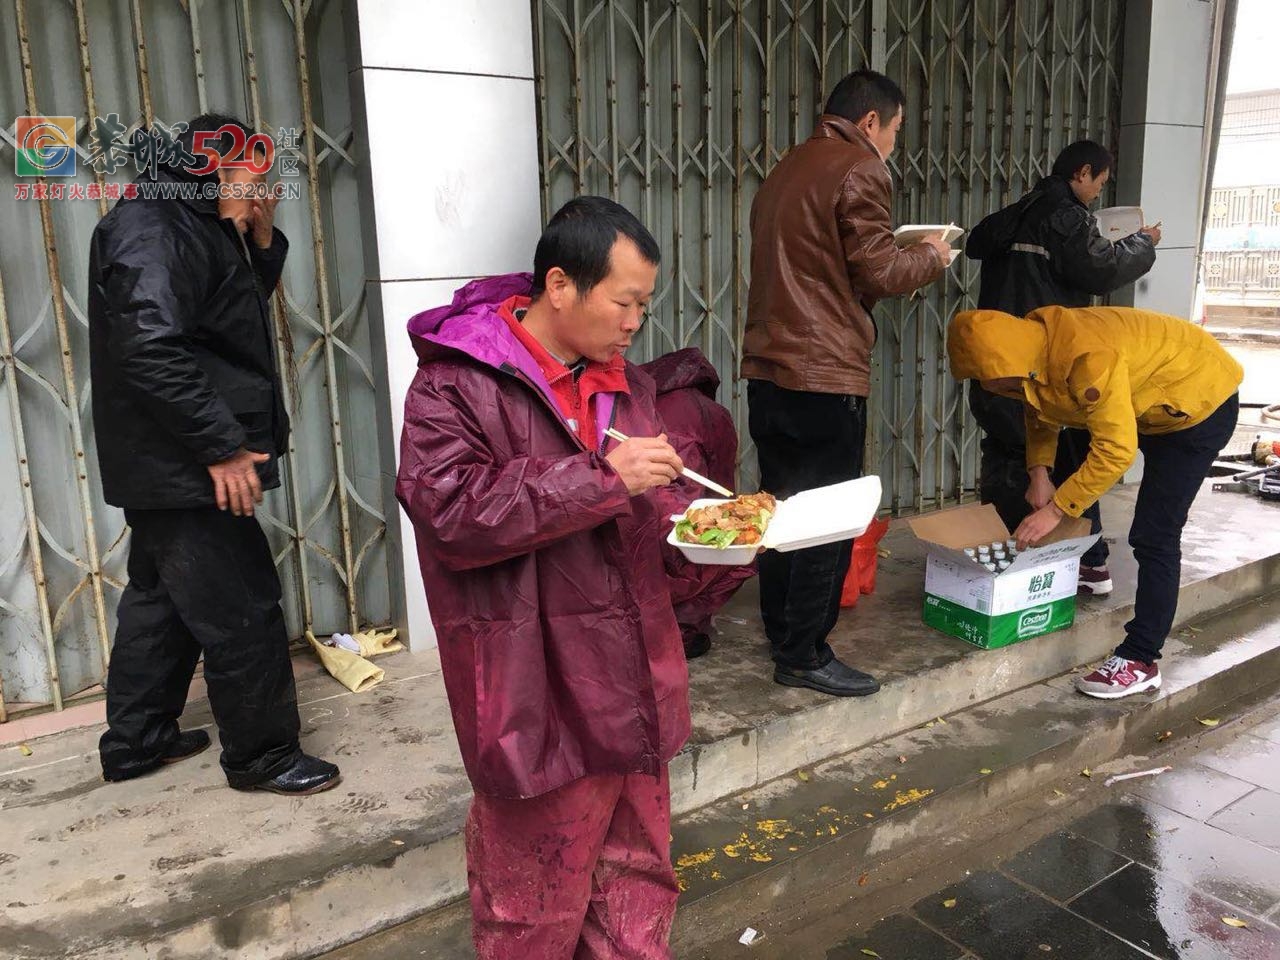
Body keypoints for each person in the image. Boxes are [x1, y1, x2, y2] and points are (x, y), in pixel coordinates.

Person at [396, 197, 693, 958]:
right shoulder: (454, 385)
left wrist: (712, 532)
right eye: (624, 302)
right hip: (536, 685)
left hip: (631, 675)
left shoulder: (623, 381)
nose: (635, 323)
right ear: (560, 285)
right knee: (533, 903)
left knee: (635, 884)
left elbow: (651, 505)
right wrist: (601, 479)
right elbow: (451, 511)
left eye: (644, 305)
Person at [89, 114, 340, 794]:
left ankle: (138, 740)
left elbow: (228, 310)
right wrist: (223, 447)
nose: (263, 192)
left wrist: (257, 234)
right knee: (243, 606)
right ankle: (262, 757)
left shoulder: (194, 222)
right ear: (213, 166)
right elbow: (151, 348)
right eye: (255, 179)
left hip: (171, 460)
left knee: (160, 602)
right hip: (186, 464)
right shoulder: (153, 227)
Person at [740, 69, 949, 696]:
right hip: (823, 372)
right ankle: (804, 653)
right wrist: (934, 256)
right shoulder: (858, 169)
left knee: (782, 509)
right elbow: (880, 270)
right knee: (826, 520)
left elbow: (825, 267)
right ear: (869, 123)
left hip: (769, 369)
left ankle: (784, 630)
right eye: (895, 130)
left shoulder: (786, 169)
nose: (893, 144)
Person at [946, 305, 1242, 699]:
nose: (993, 390)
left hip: (1197, 403)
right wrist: (1039, 473)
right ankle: (1093, 564)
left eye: (995, 381)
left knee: (1155, 535)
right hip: (1142, 401)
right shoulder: (1033, 351)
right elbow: (1040, 411)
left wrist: (1055, 511)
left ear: (1011, 359)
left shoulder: (1087, 358)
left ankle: (1141, 658)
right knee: (1074, 456)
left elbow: (1117, 451)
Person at [964, 140, 1161, 598]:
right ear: (1084, 172)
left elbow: (976, 242)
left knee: (1009, 457)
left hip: (997, 362)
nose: (1097, 193)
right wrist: (1142, 243)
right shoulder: (1066, 216)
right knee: (1069, 461)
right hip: (1046, 361)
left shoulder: (1015, 212)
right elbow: (1100, 268)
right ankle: (1081, 565)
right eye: (1099, 183)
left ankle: (1004, 564)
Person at [642, 347, 755, 659]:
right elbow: (711, 493)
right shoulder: (707, 414)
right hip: (670, 529)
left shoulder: (636, 403)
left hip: (633, 529)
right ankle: (681, 629)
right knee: (744, 555)